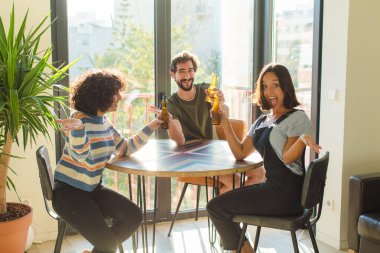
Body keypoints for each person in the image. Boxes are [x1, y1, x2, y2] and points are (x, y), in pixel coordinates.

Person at [206, 63, 321, 253]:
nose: (270, 91)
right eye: (265, 86)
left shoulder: (297, 118)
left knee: (217, 208)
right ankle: (246, 250)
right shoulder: (263, 120)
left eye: (275, 85)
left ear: (285, 86)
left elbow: (287, 158)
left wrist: (301, 139)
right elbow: (241, 152)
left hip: (286, 196)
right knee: (218, 207)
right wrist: (225, 119)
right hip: (272, 189)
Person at [53, 69, 164, 253]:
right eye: (116, 92)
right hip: (68, 194)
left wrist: (152, 125)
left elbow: (125, 148)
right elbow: (81, 156)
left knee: (133, 216)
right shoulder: (78, 120)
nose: (120, 97)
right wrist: (78, 130)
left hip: (92, 189)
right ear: (101, 95)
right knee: (108, 245)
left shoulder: (102, 121)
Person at [159, 51, 266, 193]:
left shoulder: (205, 90)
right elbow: (180, 141)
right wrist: (170, 120)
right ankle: (223, 212)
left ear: (195, 72)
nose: (187, 76)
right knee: (234, 181)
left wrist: (220, 102)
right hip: (191, 156)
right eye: (181, 71)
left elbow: (225, 116)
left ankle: (228, 209)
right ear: (173, 74)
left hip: (216, 152)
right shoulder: (172, 104)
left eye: (190, 71)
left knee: (259, 173)